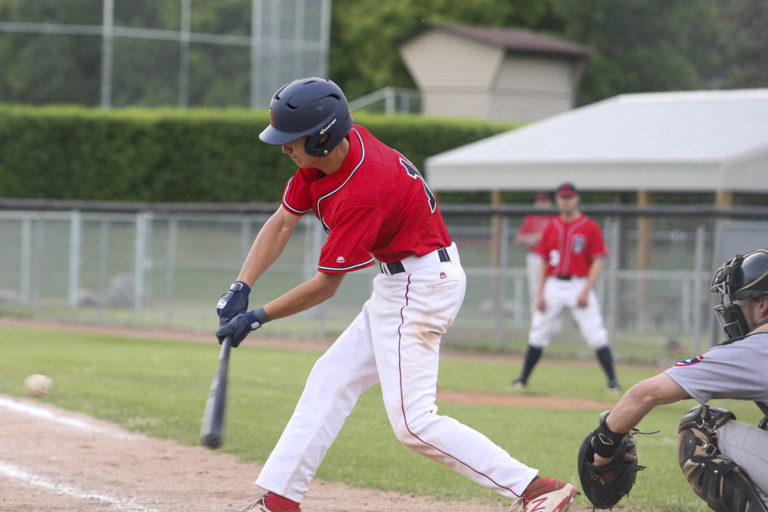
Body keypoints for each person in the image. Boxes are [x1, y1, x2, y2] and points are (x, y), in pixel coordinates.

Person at [214, 77, 579, 512]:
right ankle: (280, 501)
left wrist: (258, 317)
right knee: (330, 379)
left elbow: (326, 285)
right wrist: (242, 285)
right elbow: (282, 222)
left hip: (421, 285)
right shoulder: (325, 159)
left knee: (413, 423)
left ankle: (536, 488)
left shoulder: (364, 188)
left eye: (292, 141)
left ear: (323, 137)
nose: (284, 149)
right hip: (401, 281)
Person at [587, 249, 768, 511]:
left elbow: (645, 394)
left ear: (762, 303)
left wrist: (601, 450)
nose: (733, 309)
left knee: (702, 426)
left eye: (740, 301)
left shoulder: (757, 348)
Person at [512, 182, 620, 393]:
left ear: (577, 199)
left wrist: (587, 290)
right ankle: (522, 380)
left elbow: (597, 260)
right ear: (557, 200)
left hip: (579, 283)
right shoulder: (552, 226)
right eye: (562, 197)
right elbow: (543, 260)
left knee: (595, 334)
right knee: (538, 332)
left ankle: (613, 382)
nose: (565, 200)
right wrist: (540, 293)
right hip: (553, 284)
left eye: (569, 197)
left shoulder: (589, 226)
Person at [513, 191, 557, 309]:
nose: (542, 203)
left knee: (553, 290)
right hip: (535, 256)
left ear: (550, 203)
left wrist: (539, 237)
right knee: (535, 290)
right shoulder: (531, 217)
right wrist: (537, 237)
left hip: (553, 258)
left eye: (544, 201)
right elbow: (518, 239)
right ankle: (536, 321)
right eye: (539, 201)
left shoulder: (554, 217)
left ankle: (555, 325)